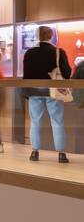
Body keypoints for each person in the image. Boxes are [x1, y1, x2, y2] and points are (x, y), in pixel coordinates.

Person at [22, 25, 72, 164]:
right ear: (51, 35)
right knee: (57, 121)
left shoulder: (29, 53)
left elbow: (26, 75)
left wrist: (26, 93)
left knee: (35, 121)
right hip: (53, 91)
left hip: (33, 91)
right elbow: (67, 73)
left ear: (37, 36)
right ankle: (61, 154)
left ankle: (34, 152)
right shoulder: (58, 51)